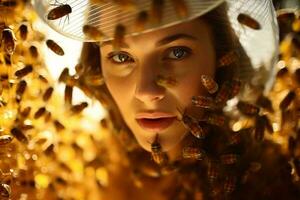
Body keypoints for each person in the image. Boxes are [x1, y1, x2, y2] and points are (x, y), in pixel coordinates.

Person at [68, 0, 299, 199]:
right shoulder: (76, 177)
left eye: (177, 52)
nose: (147, 91)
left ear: (221, 56)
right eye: (120, 56)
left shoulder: (276, 181)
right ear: (97, 65)